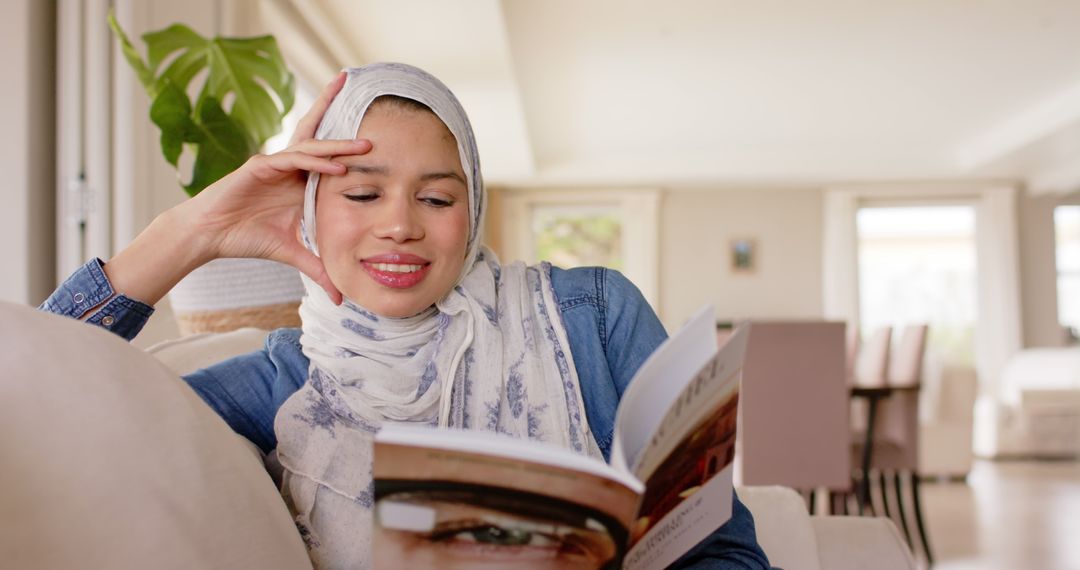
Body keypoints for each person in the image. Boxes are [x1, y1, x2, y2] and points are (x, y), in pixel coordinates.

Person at [40, 63, 770, 569]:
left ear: (474, 208)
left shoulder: (595, 314)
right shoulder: (283, 382)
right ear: (311, 211)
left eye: (438, 198)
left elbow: (722, 550)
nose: (400, 226)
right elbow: (41, 407)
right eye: (361, 196)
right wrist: (189, 234)